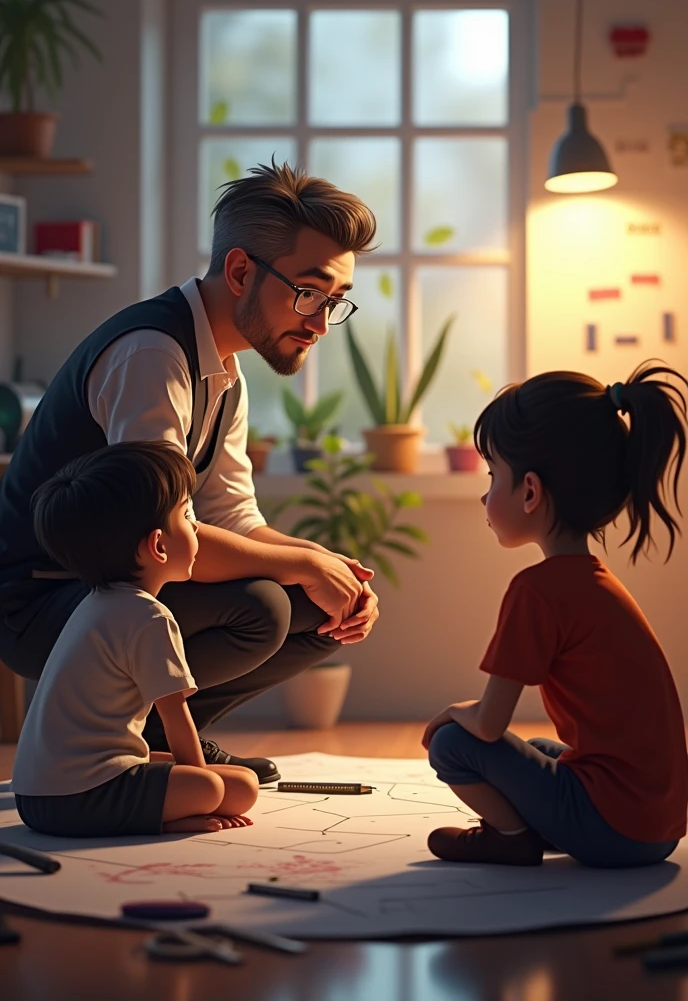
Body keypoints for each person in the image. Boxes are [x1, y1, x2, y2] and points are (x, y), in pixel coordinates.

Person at [0, 160, 380, 784]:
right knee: (263, 606)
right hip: (40, 604)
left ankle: (167, 740)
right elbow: (147, 541)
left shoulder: (224, 370)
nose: (319, 323)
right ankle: (139, 741)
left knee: (324, 611)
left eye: (335, 302)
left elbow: (234, 519)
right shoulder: (152, 354)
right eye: (309, 294)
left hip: (117, 588)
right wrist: (302, 564)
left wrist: (329, 567)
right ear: (239, 271)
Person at [422, 362, 688, 868]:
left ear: (529, 491)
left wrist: (453, 712)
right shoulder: (595, 582)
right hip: (659, 827)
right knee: (544, 747)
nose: (485, 493)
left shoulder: (538, 591)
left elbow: (487, 721)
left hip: (616, 832)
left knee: (451, 742)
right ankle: (533, 825)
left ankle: (511, 837)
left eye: (492, 475)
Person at [12, 442, 259, 837]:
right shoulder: (148, 616)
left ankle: (169, 808)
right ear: (159, 545)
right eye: (189, 515)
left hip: (37, 793)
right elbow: (176, 720)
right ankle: (164, 821)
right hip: (75, 798)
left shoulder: (97, 603)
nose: (196, 527)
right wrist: (200, 791)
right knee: (214, 786)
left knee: (241, 783)